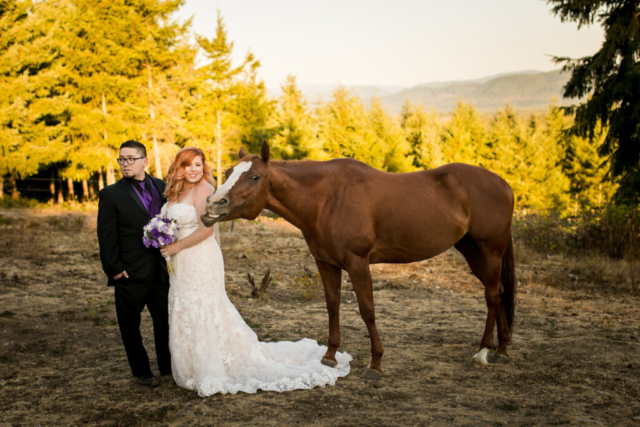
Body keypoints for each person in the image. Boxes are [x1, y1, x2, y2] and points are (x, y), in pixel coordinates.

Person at [160, 147, 351, 396]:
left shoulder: (205, 189)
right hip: (180, 261)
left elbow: (206, 229)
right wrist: (159, 236)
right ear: (180, 167)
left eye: (198, 164)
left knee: (204, 306)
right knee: (184, 306)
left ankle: (210, 367)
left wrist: (176, 245)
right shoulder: (176, 191)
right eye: (188, 165)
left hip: (199, 257)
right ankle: (189, 366)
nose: (194, 170)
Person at [97, 140, 171, 388]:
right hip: (129, 273)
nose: (125, 164)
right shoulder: (110, 194)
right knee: (130, 326)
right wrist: (115, 270)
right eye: (121, 159)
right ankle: (141, 372)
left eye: (130, 159)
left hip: (161, 271)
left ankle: (167, 367)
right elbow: (106, 235)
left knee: (165, 322)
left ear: (144, 161)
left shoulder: (162, 187)